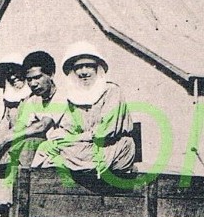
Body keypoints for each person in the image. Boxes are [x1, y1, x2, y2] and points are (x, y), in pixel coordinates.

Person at [32, 41, 138, 176]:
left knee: (67, 152)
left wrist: (72, 139)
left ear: (97, 68)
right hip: (85, 145)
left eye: (88, 66)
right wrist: (62, 134)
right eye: (78, 67)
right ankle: (39, 187)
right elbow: (70, 126)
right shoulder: (74, 96)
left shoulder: (112, 91)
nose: (83, 72)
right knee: (46, 147)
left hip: (112, 146)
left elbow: (104, 132)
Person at [0, 50, 65, 169]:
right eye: (29, 79)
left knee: (29, 143)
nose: (33, 84)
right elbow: (20, 125)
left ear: (51, 74)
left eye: (37, 77)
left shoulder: (62, 95)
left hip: (63, 148)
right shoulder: (32, 100)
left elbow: (42, 125)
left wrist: (6, 139)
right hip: (46, 151)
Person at [0, 54, 30, 176]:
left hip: (28, 142)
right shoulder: (10, 103)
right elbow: (4, 123)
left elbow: (24, 124)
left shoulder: (33, 97)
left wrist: (4, 139)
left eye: (17, 72)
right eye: (9, 74)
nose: (13, 76)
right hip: (12, 141)